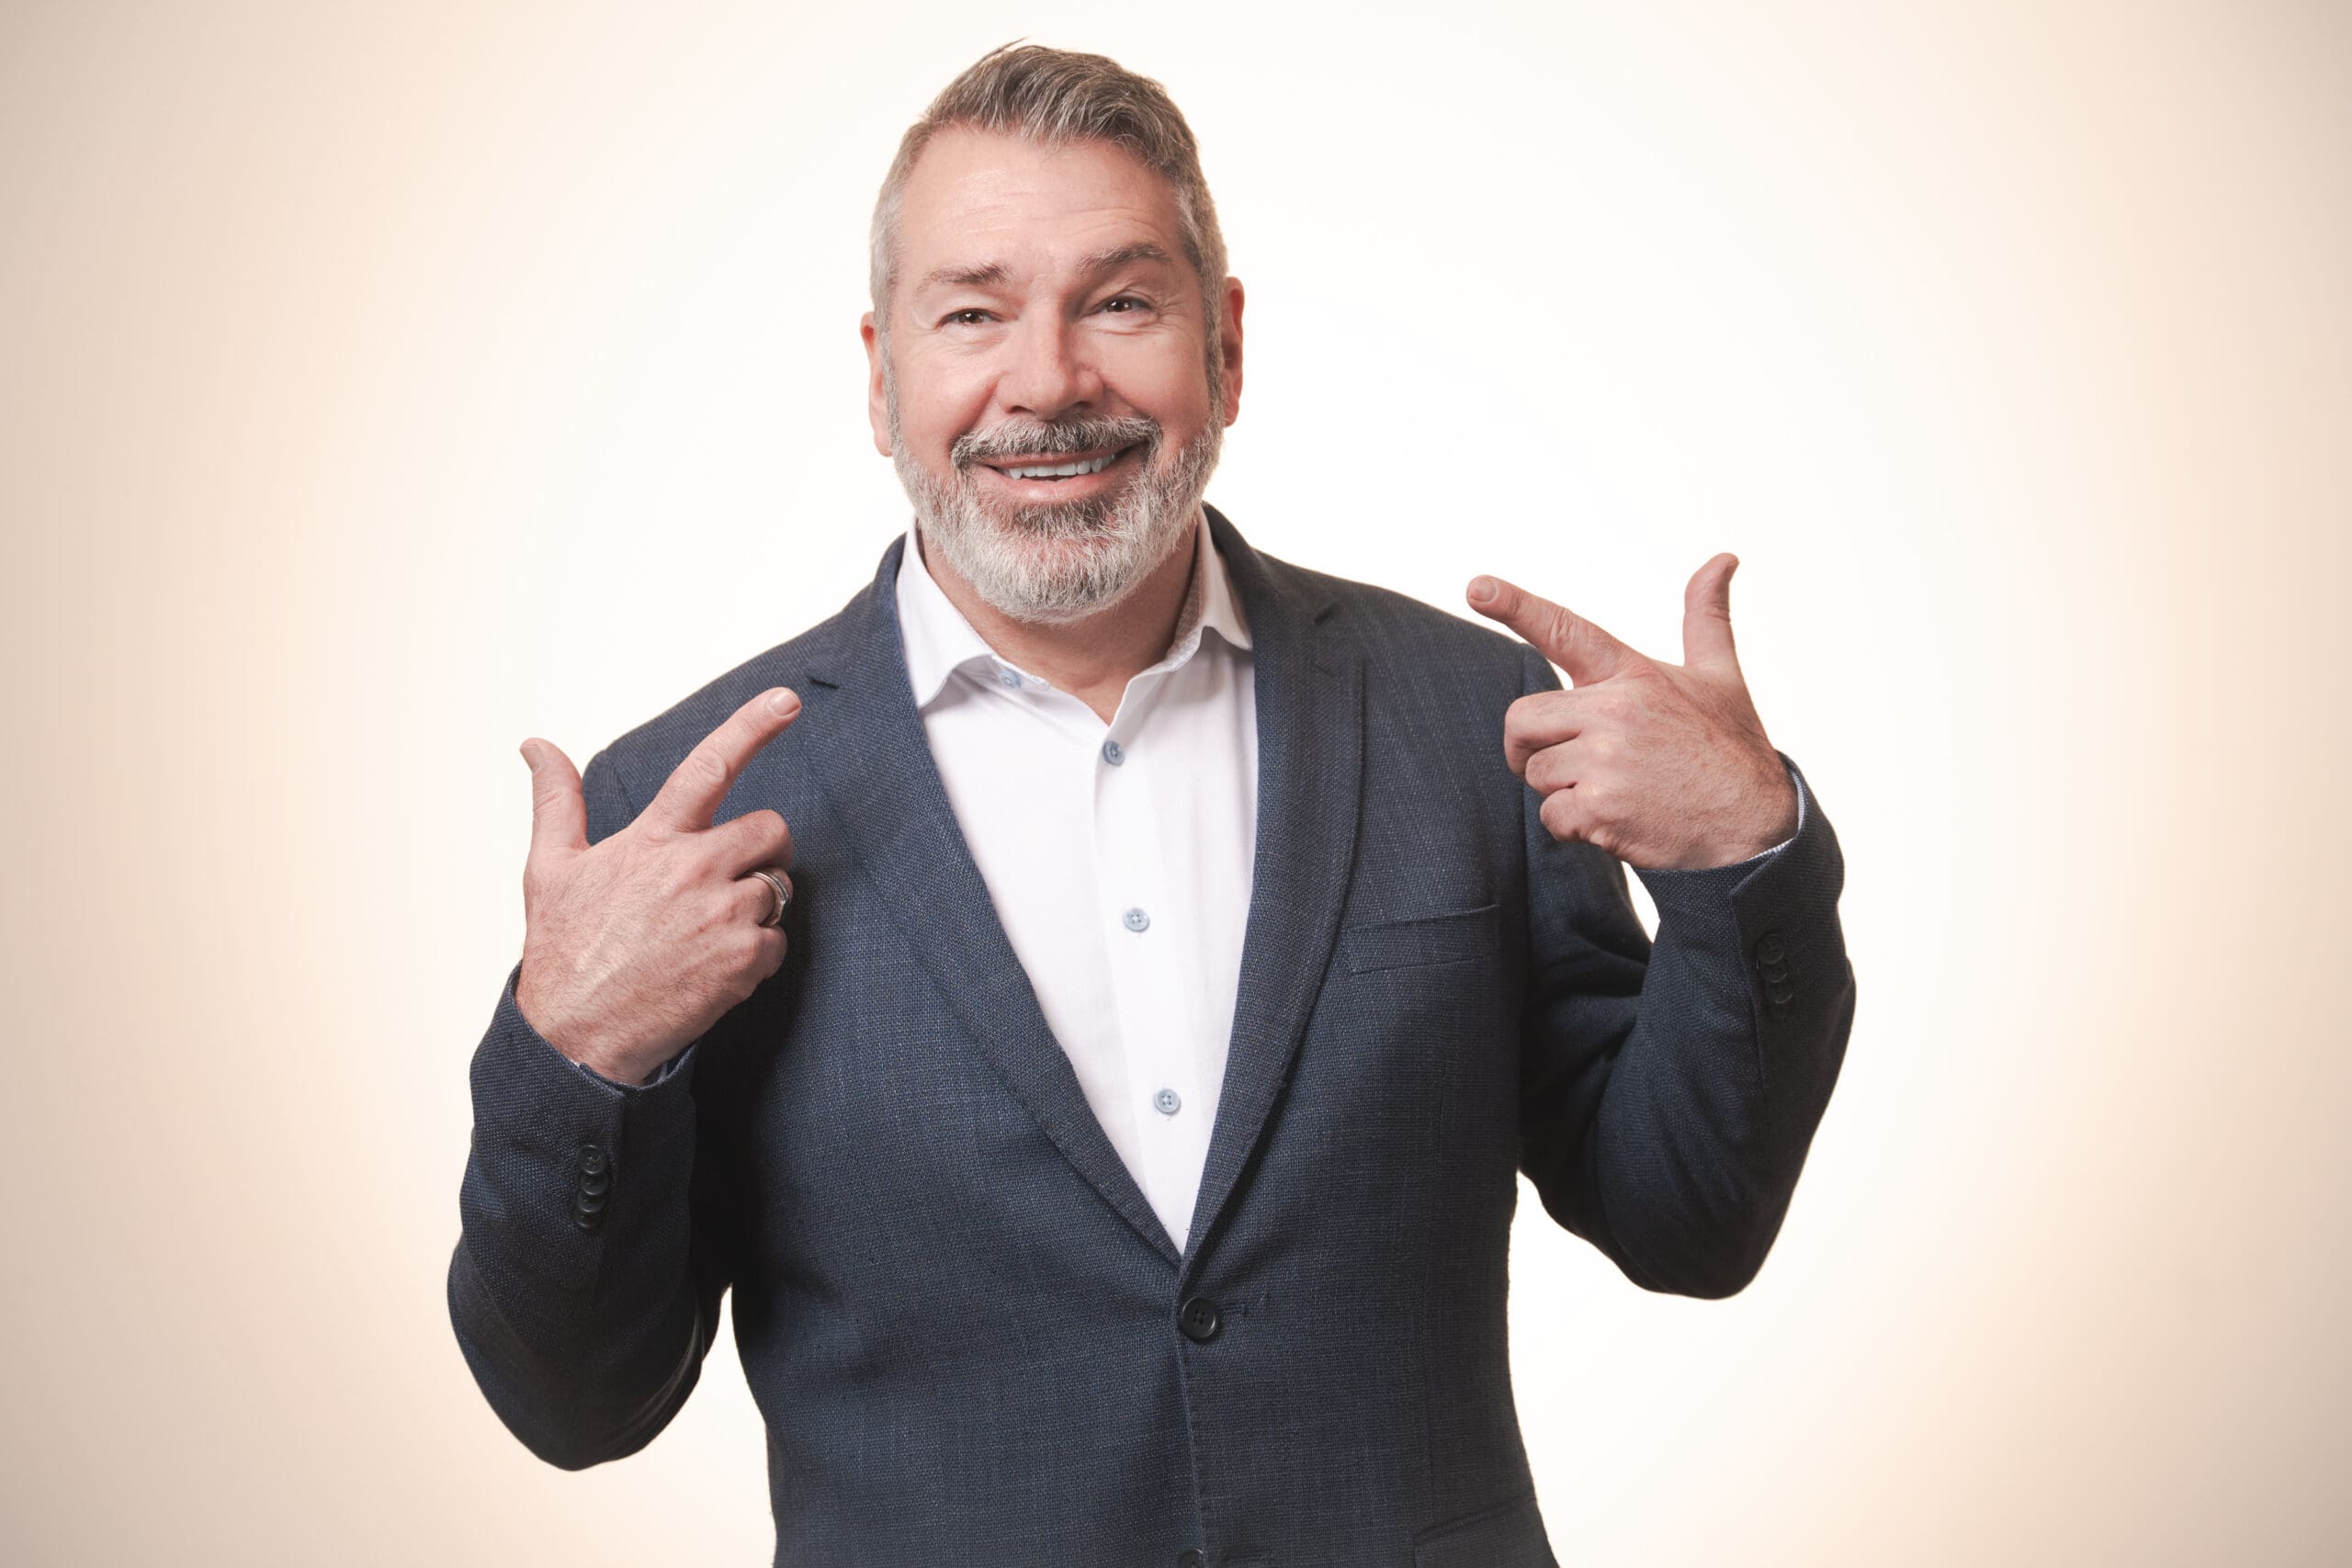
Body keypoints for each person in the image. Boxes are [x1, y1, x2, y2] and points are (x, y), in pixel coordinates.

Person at [447, 41, 1856, 1568]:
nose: (1047, 381)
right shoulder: (684, 810)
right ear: (878, 375)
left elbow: (1689, 1218)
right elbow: (574, 1405)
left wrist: (1743, 858)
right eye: (972, 313)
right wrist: (574, 1054)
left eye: (1120, 303)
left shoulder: (1470, 718)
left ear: (1227, 348)